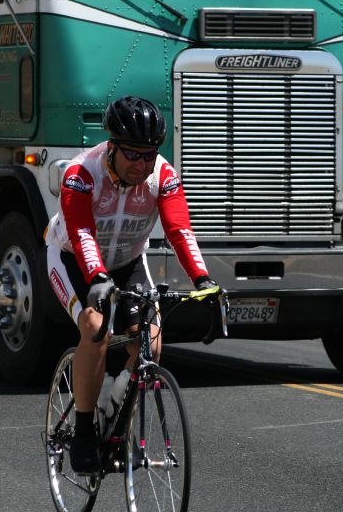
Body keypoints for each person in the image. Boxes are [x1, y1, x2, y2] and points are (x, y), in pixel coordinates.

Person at [45, 95, 218, 474]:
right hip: (72, 259)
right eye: (133, 155)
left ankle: (118, 427)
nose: (142, 165)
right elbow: (82, 232)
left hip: (126, 262)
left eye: (149, 155)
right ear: (112, 147)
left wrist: (203, 280)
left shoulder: (163, 176)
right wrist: (97, 278)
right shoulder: (81, 174)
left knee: (151, 345)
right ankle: (86, 431)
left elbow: (179, 230)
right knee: (95, 329)